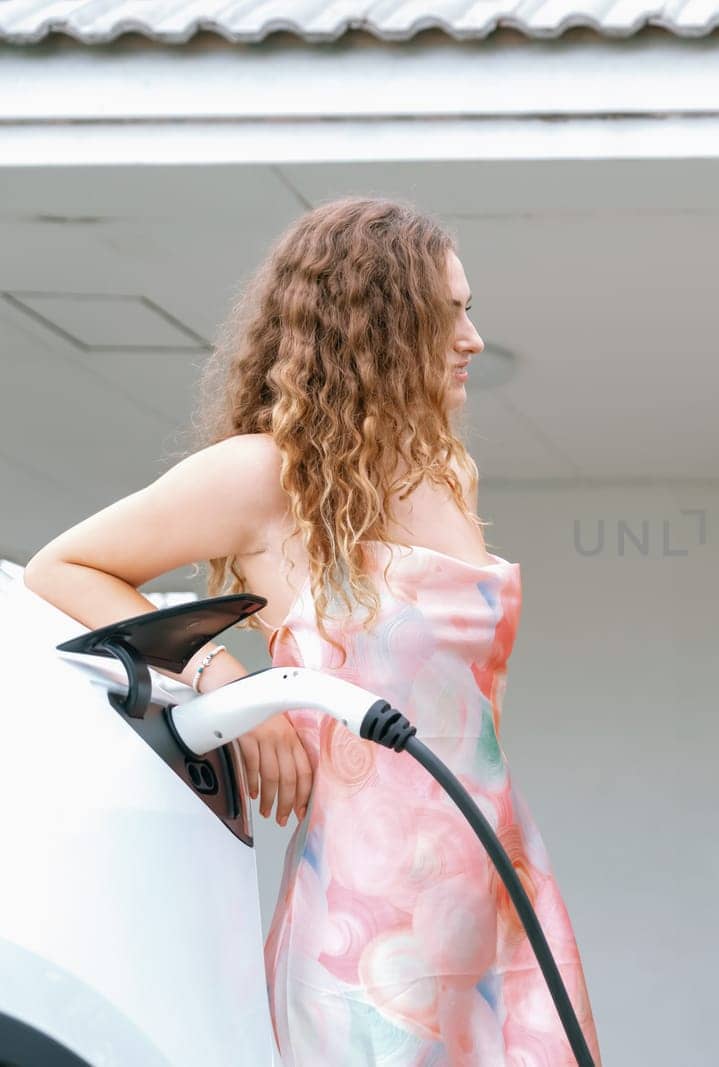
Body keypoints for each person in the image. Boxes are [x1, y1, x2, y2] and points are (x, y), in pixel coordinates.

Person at [23, 198, 601, 1065]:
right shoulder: (264, 476)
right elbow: (60, 570)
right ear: (379, 326)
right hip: (366, 930)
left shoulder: (447, 474)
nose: (473, 338)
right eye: (449, 315)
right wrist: (226, 680)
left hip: (498, 888)